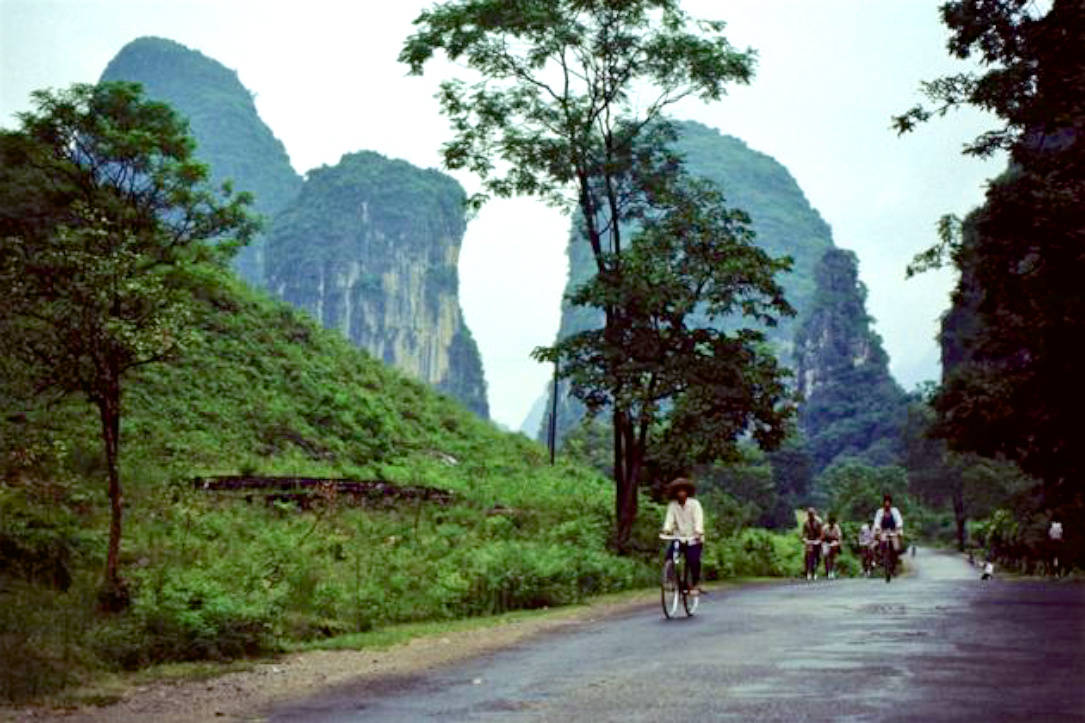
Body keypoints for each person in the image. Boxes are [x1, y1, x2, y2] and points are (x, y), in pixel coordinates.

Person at [661, 478, 705, 595]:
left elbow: (698, 519)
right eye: (679, 491)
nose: (681, 493)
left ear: (687, 492)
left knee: (693, 560)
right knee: (670, 557)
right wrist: (667, 530)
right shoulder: (673, 505)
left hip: (693, 538)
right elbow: (669, 520)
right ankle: (671, 581)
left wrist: (698, 531)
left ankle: (694, 584)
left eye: (683, 491)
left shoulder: (694, 504)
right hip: (679, 537)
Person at [872, 494, 904, 570]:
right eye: (885, 502)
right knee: (882, 541)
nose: (887, 504)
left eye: (888, 502)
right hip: (883, 531)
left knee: (896, 547)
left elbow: (899, 520)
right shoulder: (880, 512)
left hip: (893, 531)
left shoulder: (895, 511)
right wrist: (878, 528)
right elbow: (877, 521)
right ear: (883, 503)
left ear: (890, 503)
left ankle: (895, 559)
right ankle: (881, 556)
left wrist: (898, 527)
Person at [801, 507, 823, 580]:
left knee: (817, 557)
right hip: (809, 541)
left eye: (812, 514)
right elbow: (803, 533)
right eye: (809, 514)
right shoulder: (805, 522)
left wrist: (819, 540)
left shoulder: (819, 522)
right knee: (809, 556)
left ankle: (815, 571)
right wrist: (805, 539)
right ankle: (809, 571)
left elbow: (821, 534)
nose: (810, 515)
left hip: (817, 541)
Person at [822, 515, 842, 579]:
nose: (831, 523)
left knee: (832, 557)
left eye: (833, 522)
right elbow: (822, 537)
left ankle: (832, 571)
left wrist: (838, 544)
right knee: (826, 556)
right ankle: (827, 571)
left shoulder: (837, 528)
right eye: (830, 522)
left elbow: (839, 537)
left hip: (833, 542)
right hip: (826, 542)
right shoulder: (825, 528)